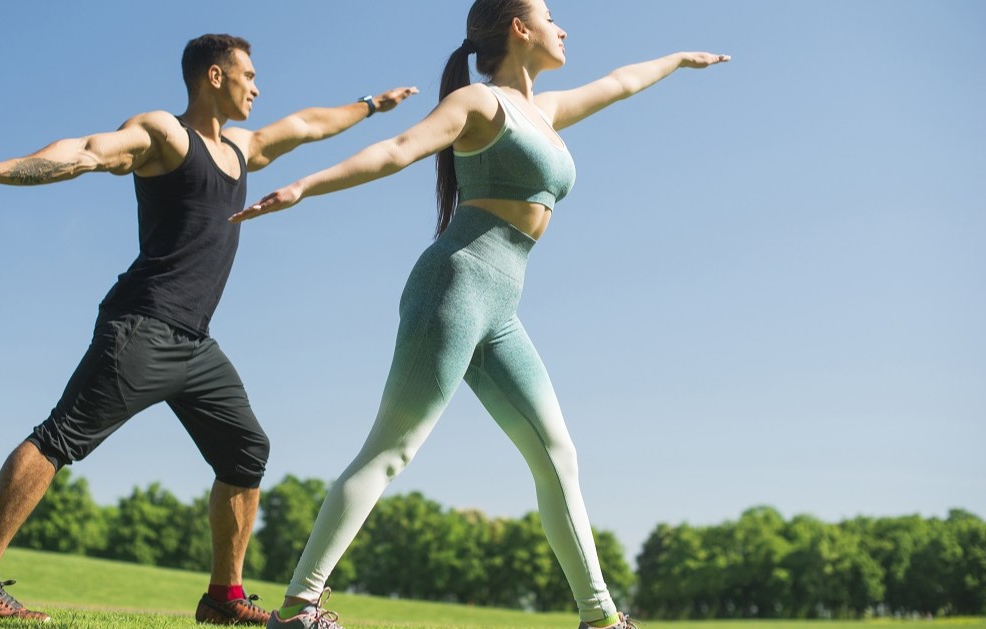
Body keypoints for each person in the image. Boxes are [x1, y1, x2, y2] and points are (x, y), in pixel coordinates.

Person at [229, 1, 728, 627]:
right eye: (550, 15)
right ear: (520, 30)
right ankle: (300, 608)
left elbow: (620, 83)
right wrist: (305, 186)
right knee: (392, 448)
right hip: (454, 285)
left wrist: (678, 59)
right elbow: (398, 150)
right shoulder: (478, 105)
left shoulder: (543, 112)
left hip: (501, 306)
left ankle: (601, 618)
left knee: (556, 453)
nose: (563, 28)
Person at [0, 33, 417, 624]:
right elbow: (85, 151)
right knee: (60, 437)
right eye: (248, 76)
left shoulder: (241, 148)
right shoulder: (165, 135)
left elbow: (309, 124)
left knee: (246, 450)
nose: (257, 87)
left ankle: (223, 600)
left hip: (195, 344)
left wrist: (370, 105)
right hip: (143, 325)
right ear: (214, 76)